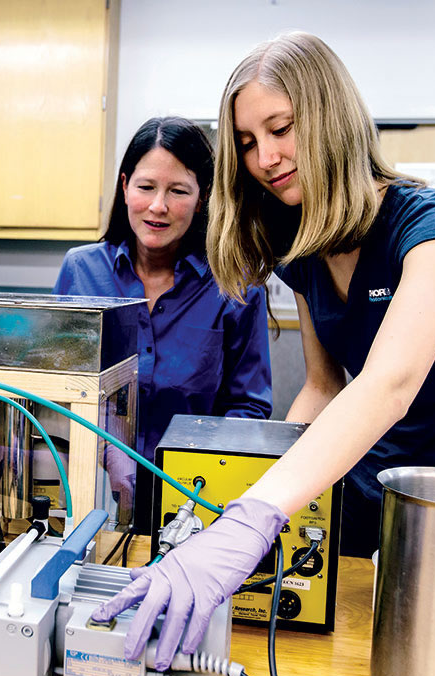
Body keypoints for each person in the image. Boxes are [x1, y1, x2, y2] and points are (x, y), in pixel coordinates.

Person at [92, 32, 435, 670]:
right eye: (246, 142)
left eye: (281, 128)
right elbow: (322, 387)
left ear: (328, 116)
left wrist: (254, 514)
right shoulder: (306, 246)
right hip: (361, 488)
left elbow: (389, 382)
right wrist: (239, 495)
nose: (265, 157)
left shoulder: (433, 226)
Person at [53, 116, 272, 530]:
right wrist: (107, 449)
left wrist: (192, 466)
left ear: (202, 197)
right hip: (92, 495)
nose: (158, 206)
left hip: (195, 504)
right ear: (124, 187)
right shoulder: (81, 272)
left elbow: (249, 407)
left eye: (178, 191)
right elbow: (58, 391)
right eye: (146, 187)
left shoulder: (236, 285)